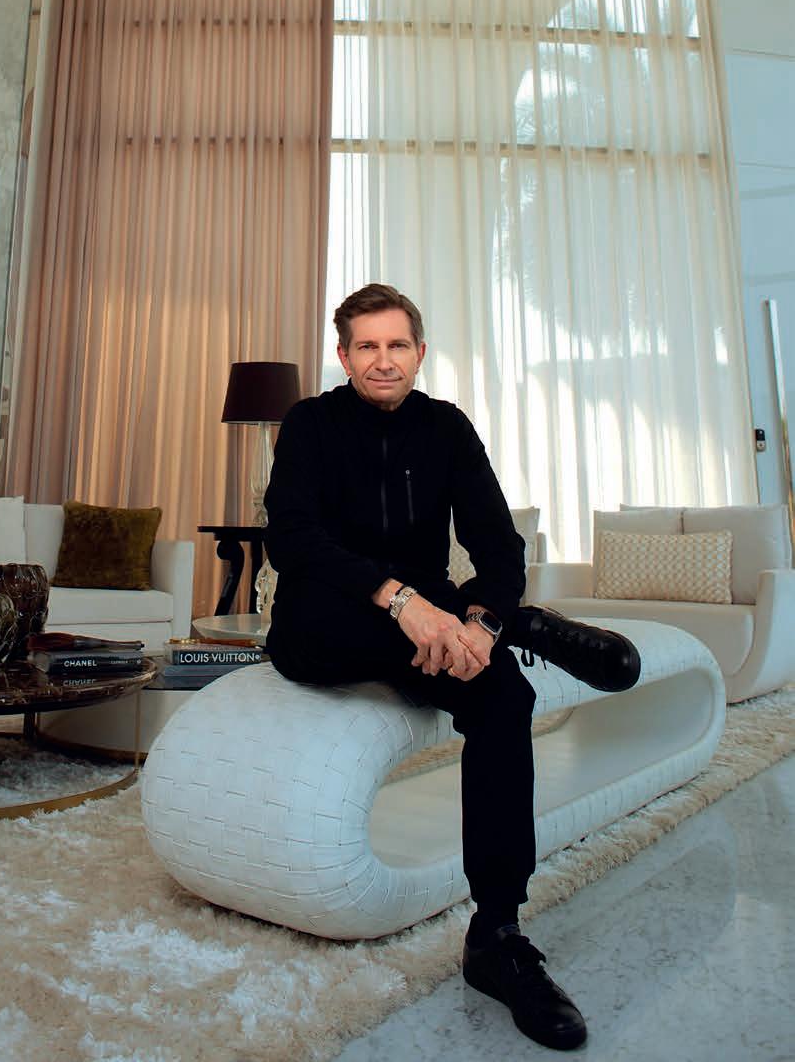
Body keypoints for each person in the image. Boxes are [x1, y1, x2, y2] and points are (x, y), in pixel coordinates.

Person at [264, 282, 639, 1053]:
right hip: (328, 613)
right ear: (343, 356)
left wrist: (482, 621)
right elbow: (292, 536)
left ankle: (496, 935)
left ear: (420, 352)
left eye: (397, 344)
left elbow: (499, 545)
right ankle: (526, 626)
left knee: (504, 694)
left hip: (435, 621)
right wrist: (400, 598)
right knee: (328, 618)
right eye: (367, 345)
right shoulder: (309, 423)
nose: (383, 359)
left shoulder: (447, 428)